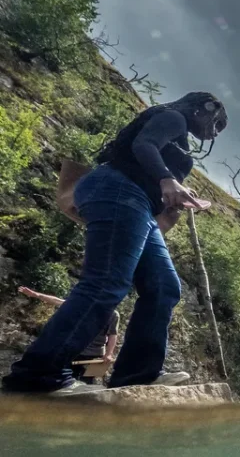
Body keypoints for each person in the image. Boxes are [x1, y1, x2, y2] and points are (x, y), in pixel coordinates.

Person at [1, 92, 227, 395]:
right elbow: (143, 145)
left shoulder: (179, 137)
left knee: (163, 287)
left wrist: (175, 193)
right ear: (204, 108)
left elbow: (151, 162)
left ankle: (137, 374)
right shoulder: (174, 118)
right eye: (218, 123)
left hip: (139, 203)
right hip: (119, 189)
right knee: (107, 281)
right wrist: (166, 178)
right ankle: (38, 373)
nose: (215, 131)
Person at [17, 286, 120, 383]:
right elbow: (58, 301)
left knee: (86, 381)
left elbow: (112, 335)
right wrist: (36, 295)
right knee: (65, 378)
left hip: (94, 355)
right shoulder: (83, 306)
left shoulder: (113, 314)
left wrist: (109, 354)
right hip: (73, 350)